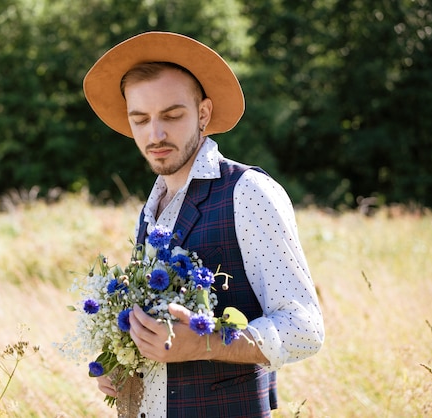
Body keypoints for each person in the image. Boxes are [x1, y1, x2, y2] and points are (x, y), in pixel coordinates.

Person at [83, 31, 325, 418]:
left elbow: (304, 329)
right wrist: (124, 360)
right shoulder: (150, 208)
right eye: (140, 119)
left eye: (172, 115)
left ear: (203, 114)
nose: (155, 134)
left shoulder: (247, 192)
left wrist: (202, 343)